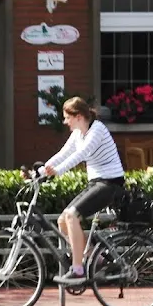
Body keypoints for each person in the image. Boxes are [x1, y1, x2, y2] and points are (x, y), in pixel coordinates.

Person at [42, 96, 125, 285]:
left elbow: (81, 154)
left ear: (78, 116)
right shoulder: (78, 133)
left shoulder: (97, 130)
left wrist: (58, 171)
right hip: (96, 182)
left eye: (67, 118)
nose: (65, 122)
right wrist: (38, 172)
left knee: (72, 215)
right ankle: (96, 258)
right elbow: (63, 153)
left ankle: (78, 270)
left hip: (110, 183)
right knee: (63, 220)